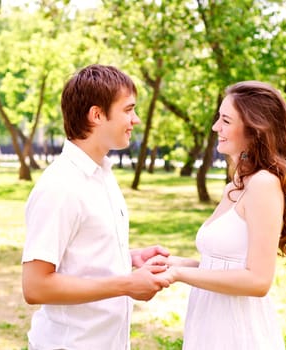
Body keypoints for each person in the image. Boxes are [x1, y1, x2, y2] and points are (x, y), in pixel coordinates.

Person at [21, 64, 171, 350]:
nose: (135, 119)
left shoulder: (102, 174)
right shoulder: (60, 186)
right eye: (128, 110)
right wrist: (127, 284)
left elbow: (81, 259)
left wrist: (129, 258)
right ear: (97, 115)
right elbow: (36, 286)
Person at [152, 80, 286, 349]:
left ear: (253, 129)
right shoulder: (236, 186)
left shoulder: (263, 184)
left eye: (225, 120)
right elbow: (220, 266)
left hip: (238, 330)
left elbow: (258, 281)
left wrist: (178, 275)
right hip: (209, 322)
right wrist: (170, 263)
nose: (215, 127)